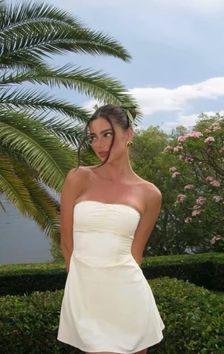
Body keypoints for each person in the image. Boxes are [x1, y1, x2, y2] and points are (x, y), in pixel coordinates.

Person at [57, 104, 165, 354]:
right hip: (87, 294)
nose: (99, 144)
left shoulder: (150, 194)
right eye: (93, 137)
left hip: (129, 296)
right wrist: (81, 293)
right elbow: (66, 242)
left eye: (107, 134)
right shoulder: (78, 177)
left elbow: (135, 255)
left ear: (129, 135)